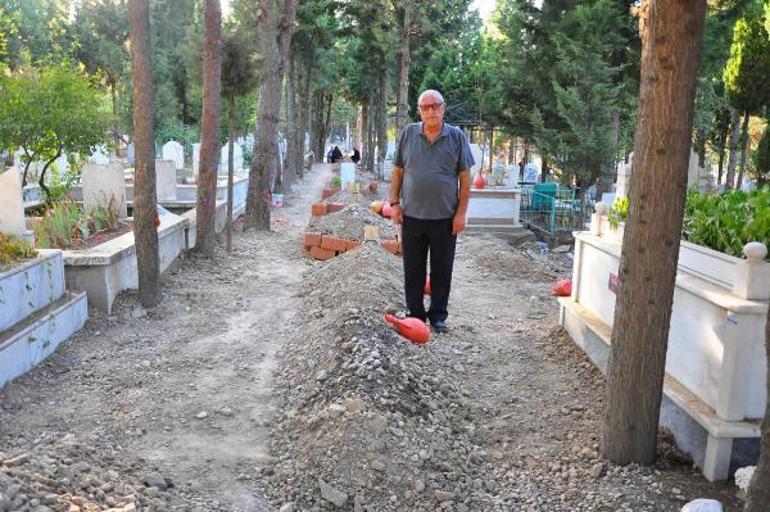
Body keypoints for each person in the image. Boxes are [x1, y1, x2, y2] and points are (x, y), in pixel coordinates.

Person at [389, 89, 474, 332]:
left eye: (435, 106)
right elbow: (398, 172)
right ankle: (415, 314)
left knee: (441, 269)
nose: (431, 111)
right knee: (413, 269)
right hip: (412, 216)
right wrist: (394, 204)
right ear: (419, 111)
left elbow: (465, 179)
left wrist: (461, 213)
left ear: (443, 108)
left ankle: (438, 315)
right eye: (426, 107)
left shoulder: (456, 137)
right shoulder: (408, 134)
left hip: (445, 218)